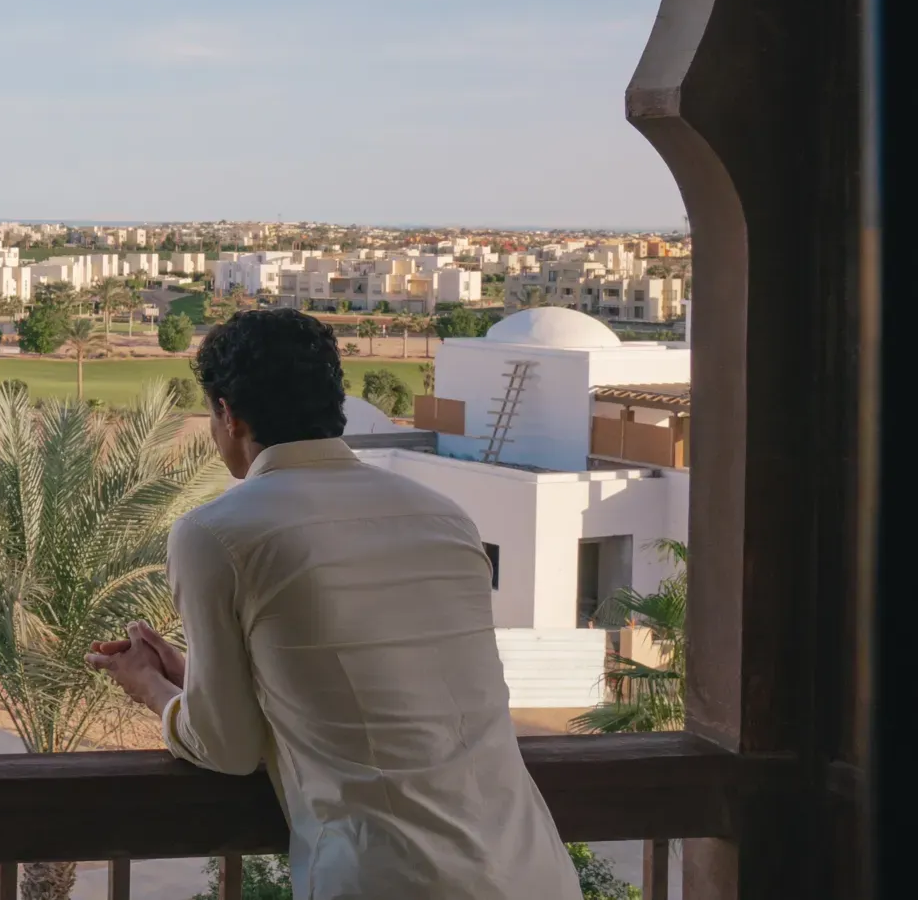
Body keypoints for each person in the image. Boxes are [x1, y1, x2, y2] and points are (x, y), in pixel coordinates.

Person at [88, 308, 576, 900]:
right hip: (530, 869)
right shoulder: (443, 516)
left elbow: (228, 748)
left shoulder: (218, 534)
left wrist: (149, 686)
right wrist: (197, 681)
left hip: (391, 880)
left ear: (226, 413)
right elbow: (384, 694)